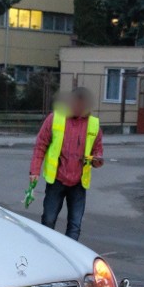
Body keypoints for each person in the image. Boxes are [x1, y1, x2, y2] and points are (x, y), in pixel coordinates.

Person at [29, 87, 104, 241]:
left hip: (78, 183)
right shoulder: (55, 118)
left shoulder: (93, 125)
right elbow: (40, 145)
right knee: (48, 220)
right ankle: (45, 251)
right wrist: (34, 171)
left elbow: (98, 151)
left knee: (75, 225)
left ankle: (70, 255)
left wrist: (96, 160)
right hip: (57, 180)